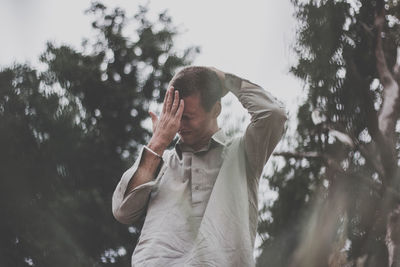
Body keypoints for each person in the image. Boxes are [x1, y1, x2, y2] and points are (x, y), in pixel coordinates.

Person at [112, 66, 288, 267]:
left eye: (186, 117)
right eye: (174, 114)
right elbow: (122, 211)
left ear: (216, 110)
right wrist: (158, 143)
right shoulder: (159, 161)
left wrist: (225, 79)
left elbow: (274, 114)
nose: (178, 125)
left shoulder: (243, 154)